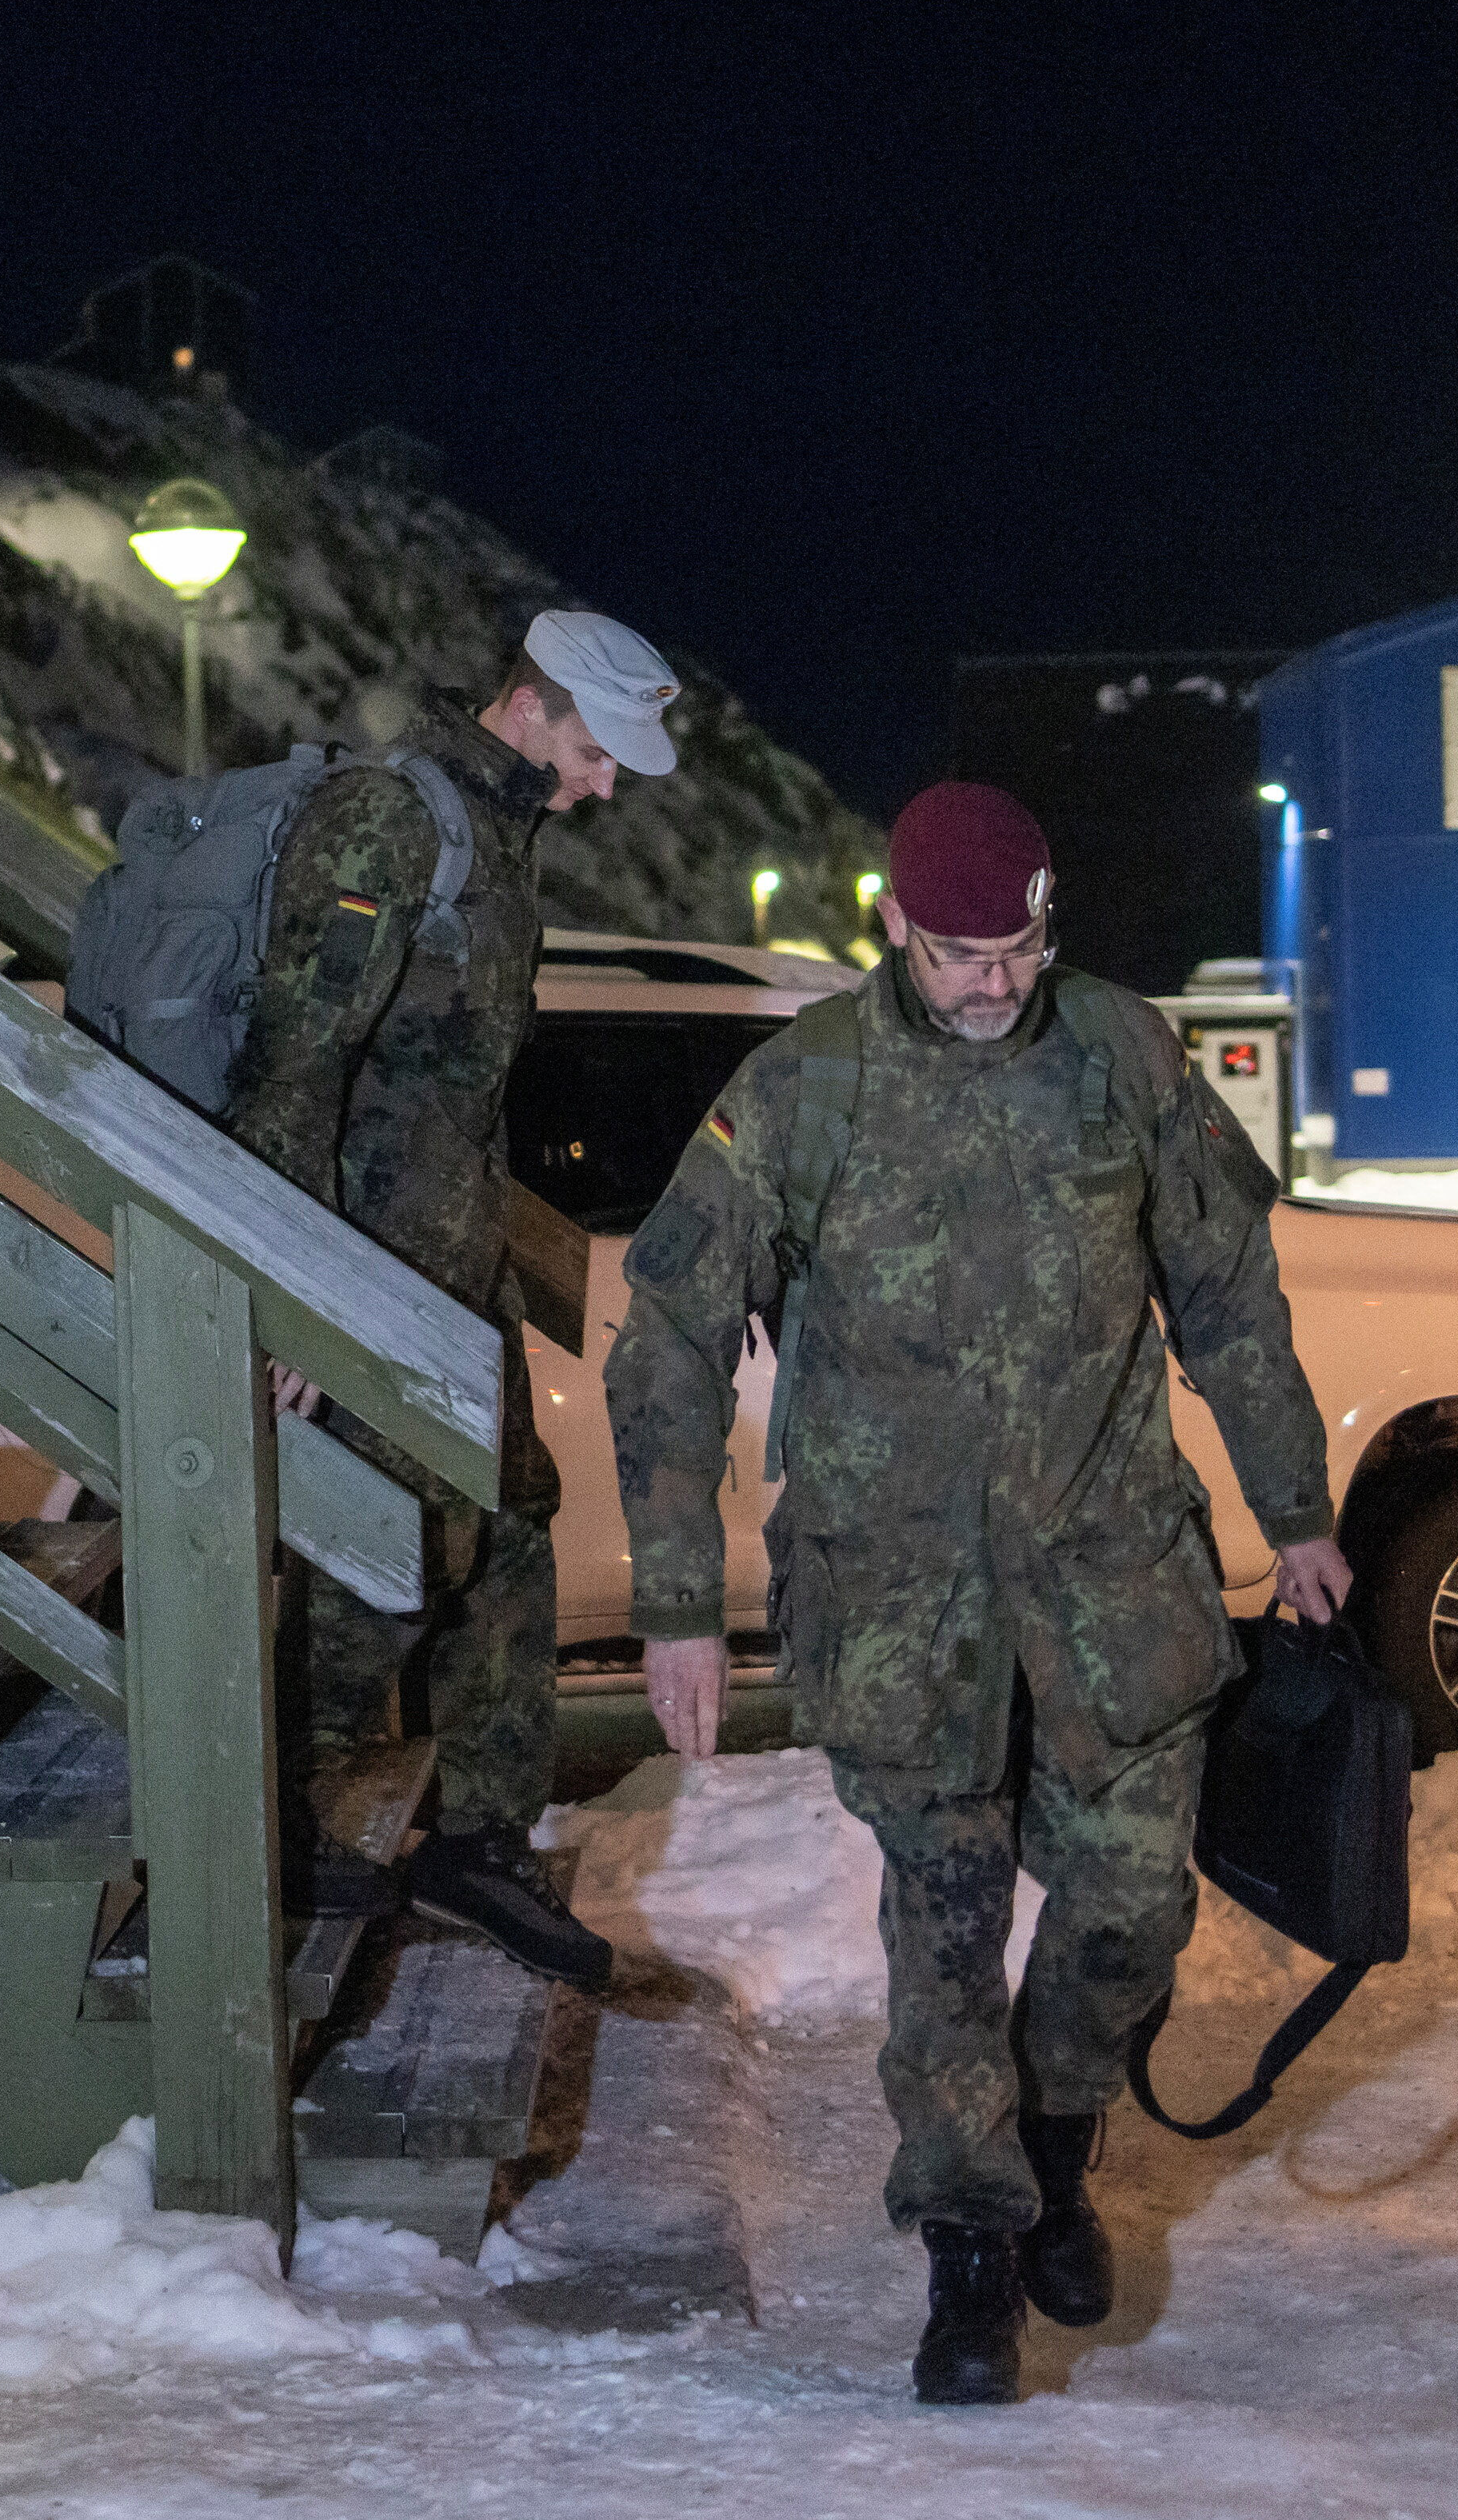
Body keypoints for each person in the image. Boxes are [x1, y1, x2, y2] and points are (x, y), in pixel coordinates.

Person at [607, 780, 1346, 2406]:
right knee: (942, 1933)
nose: (993, 982)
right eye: (956, 955)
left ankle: (1063, 2143)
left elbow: (1228, 1291)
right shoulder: (802, 1093)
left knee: (1134, 1906)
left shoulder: (1123, 1055)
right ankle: (970, 2249)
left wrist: (1295, 1508)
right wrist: (677, 1599)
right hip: (900, 1605)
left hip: (1112, 1584)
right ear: (890, 929)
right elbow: (666, 1334)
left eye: (1017, 948)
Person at [223, 609, 683, 1989]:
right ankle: (269, 1829)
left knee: (511, 1534)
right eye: (599, 752)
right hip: (362, 1272)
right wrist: (288, 1292)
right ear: (531, 707)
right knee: (377, 1556)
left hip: (454, 1268)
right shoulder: (384, 824)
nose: (607, 785)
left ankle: (480, 1841)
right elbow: (290, 1065)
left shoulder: (496, 840)